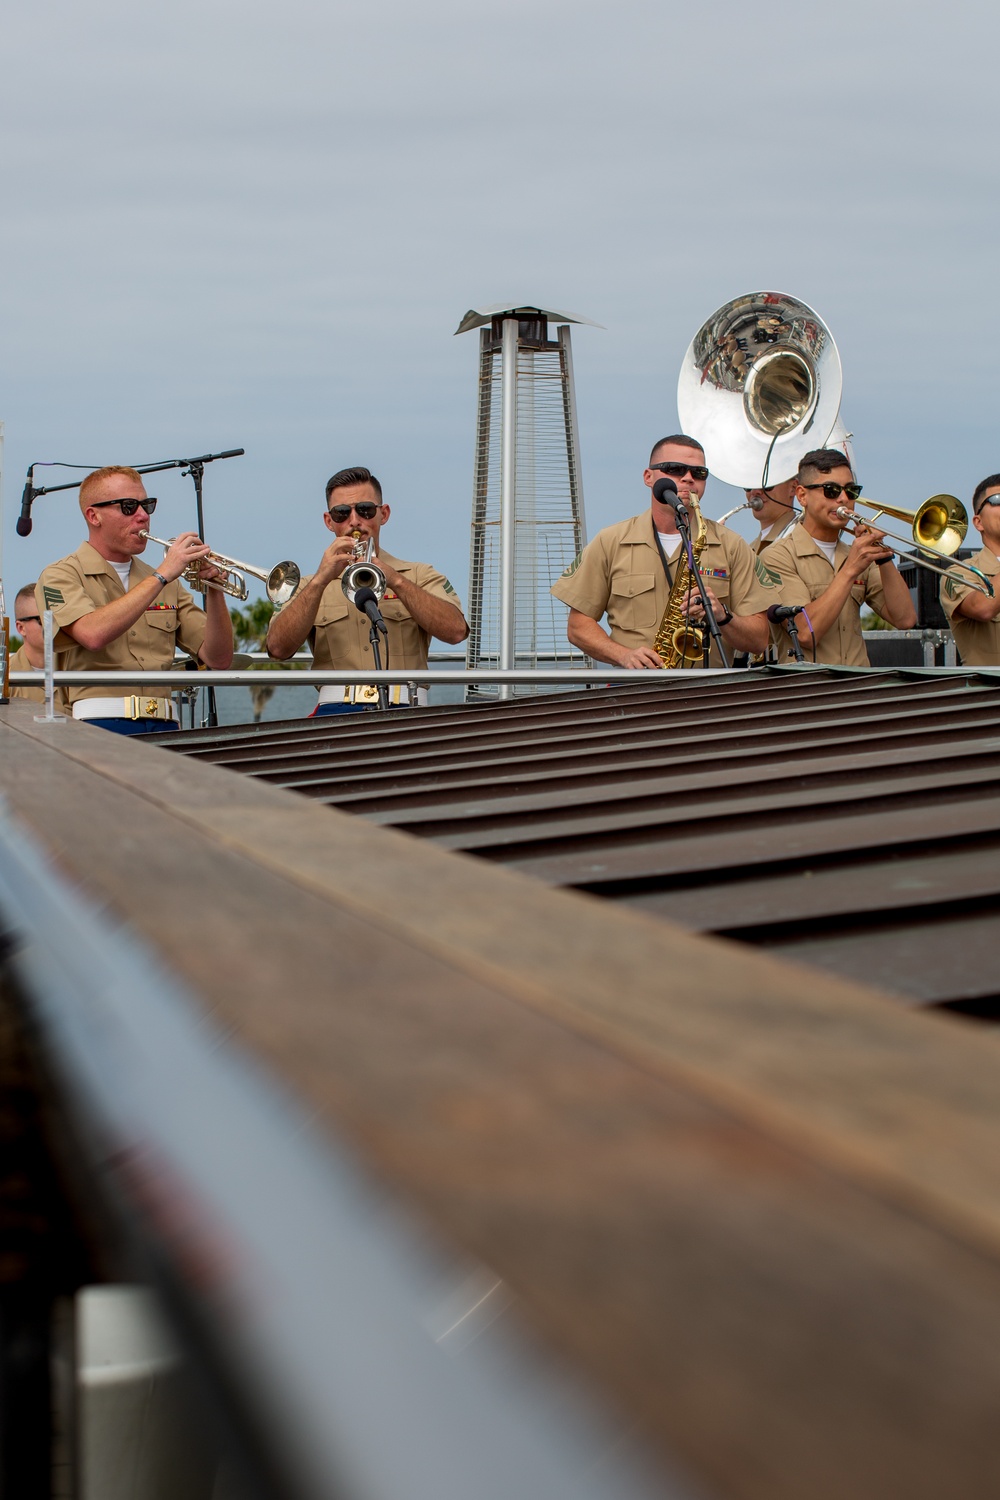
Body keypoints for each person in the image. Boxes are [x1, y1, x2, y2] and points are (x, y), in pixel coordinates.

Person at [35, 465, 234, 733]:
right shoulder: (60, 575)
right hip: (97, 724)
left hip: (164, 723)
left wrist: (215, 589)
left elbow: (218, 658)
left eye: (146, 505)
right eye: (128, 507)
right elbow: (92, 634)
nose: (142, 516)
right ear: (94, 516)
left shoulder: (163, 581)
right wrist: (162, 575)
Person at [550, 435, 774, 668]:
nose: (688, 478)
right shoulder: (610, 541)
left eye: (699, 473)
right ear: (649, 477)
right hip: (635, 690)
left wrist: (723, 616)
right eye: (675, 469)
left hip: (709, 693)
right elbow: (577, 627)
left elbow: (759, 639)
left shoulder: (732, 545)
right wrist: (622, 655)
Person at [265, 466, 468, 714]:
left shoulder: (419, 574)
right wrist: (320, 581)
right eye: (341, 513)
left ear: (384, 514)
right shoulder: (310, 585)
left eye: (365, 510)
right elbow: (277, 649)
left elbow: (456, 631)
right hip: (335, 708)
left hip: (408, 706)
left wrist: (395, 579)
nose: (354, 521)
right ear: (329, 522)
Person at [764, 448, 916, 665]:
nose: (844, 499)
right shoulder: (777, 557)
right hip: (809, 690)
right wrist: (850, 570)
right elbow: (805, 633)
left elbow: (905, 619)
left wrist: (882, 557)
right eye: (831, 490)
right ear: (802, 495)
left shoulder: (858, 555)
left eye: (851, 491)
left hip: (858, 689)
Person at [939, 472, 1000, 665]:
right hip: (989, 693)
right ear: (978, 522)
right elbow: (983, 608)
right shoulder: (958, 574)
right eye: (997, 500)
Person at [7, 584, 63, 707]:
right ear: (21, 628)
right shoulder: (6, 678)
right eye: (42, 620)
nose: (52, 625)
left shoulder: (78, 667)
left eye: (56, 617)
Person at [741, 478, 800, 556]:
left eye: (766, 483)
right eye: (749, 485)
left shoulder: (802, 536)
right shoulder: (748, 550)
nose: (754, 491)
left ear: (793, 488)